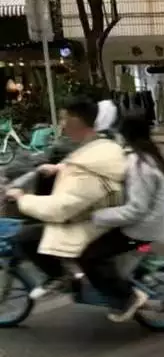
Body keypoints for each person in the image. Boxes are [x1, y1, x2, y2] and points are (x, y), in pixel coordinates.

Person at [6, 96, 127, 299]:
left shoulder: (87, 152)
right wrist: (59, 168)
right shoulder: (97, 146)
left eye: (65, 119)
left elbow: (61, 207)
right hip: (91, 211)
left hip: (90, 218)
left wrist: (22, 198)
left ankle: (62, 277)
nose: (61, 125)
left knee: (27, 237)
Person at [79, 111, 164, 322]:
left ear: (124, 135)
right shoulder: (148, 155)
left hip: (142, 228)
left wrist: (96, 215)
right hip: (150, 222)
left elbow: (136, 209)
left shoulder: (140, 164)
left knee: (90, 256)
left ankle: (128, 298)